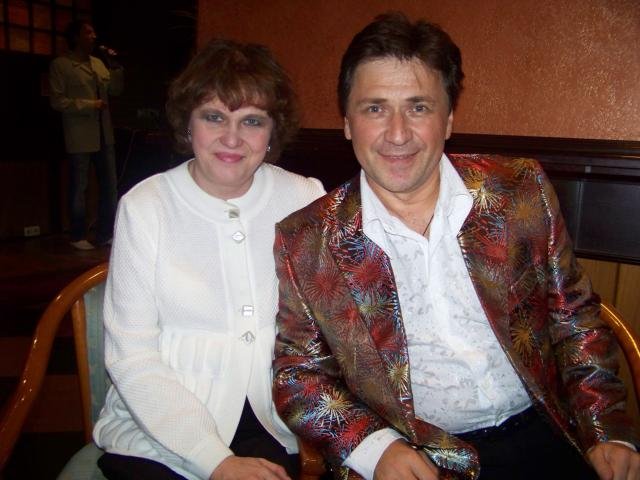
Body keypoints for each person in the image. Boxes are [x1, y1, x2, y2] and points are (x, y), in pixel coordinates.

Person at [272, 12, 639, 480]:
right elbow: (298, 375)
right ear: (347, 123)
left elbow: (574, 318)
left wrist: (606, 429)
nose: (398, 134)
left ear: (448, 120)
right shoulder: (307, 239)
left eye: (419, 107)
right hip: (417, 453)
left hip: (543, 431)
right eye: (375, 109)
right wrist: (375, 449)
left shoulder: (518, 191)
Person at [92, 39, 325, 480]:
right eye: (214, 117)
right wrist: (213, 459)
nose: (232, 138)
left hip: (269, 421)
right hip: (159, 426)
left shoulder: (303, 197)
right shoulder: (146, 206)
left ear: (272, 131)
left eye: (251, 120)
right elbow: (131, 355)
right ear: (188, 123)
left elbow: (329, 333)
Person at [49, 20, 123, 250]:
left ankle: (105, 233)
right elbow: (57, 101)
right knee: (79, 186)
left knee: (110, 186)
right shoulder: (61, 65)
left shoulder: (98, 63)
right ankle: (78, 234)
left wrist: (115, 67)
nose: (94, 36)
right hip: (79, 134)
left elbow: (116, 90)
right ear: (76, 37)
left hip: (104, 133)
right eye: (88, 32)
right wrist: (90, 104)